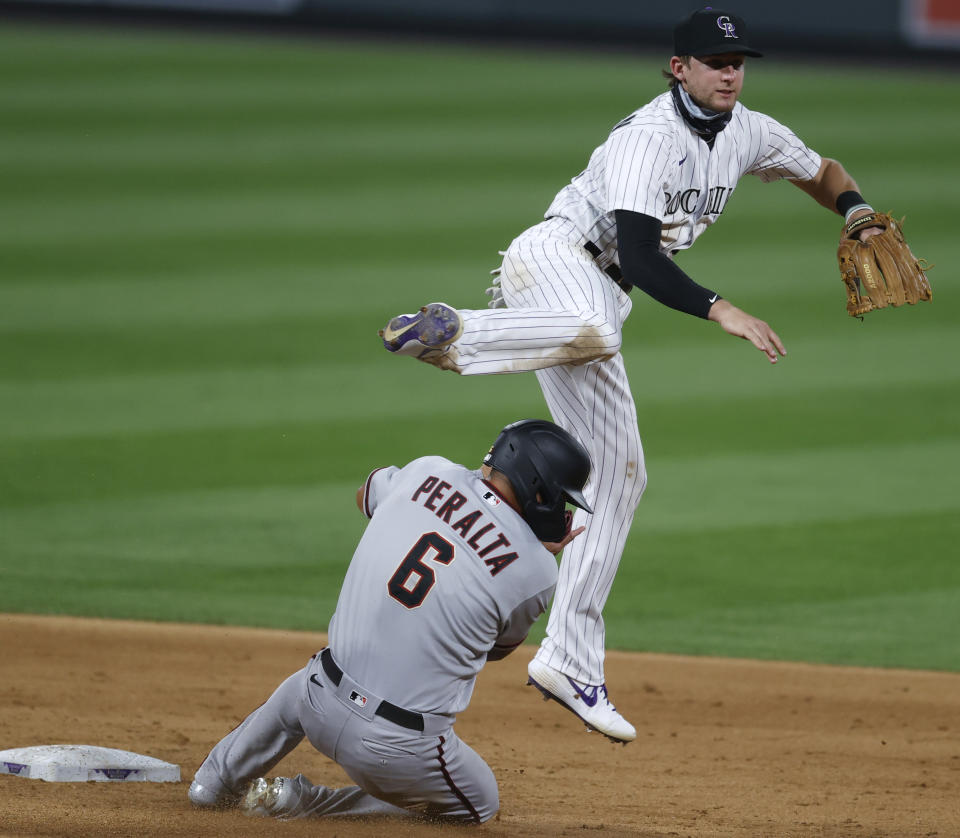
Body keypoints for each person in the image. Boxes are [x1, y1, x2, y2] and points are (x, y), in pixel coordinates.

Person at [378, 7, 885, 744]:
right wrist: (722, 310)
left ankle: (570, 660)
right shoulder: (650, 139)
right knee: (594, 329)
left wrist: (856, 211)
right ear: (679, 68)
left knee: (619, 476)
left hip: (595, 295)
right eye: (715, 61)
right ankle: (455, 333)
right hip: (557, 260)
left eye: (738, 60)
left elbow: (821, 171)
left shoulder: (747, 129)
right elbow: (645, 260)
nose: (730, 72)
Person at [188, 419, 593, 823]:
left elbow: (365, 494)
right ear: (538, 489)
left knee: (302, 686)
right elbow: (495, 649)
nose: (561, 510)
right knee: (479, 807)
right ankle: (301, 801)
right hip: (394, 752)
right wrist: (528, 551)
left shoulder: (429, 470)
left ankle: (213, 782)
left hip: (316, 700)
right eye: (560, 499)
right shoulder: (536, 571)